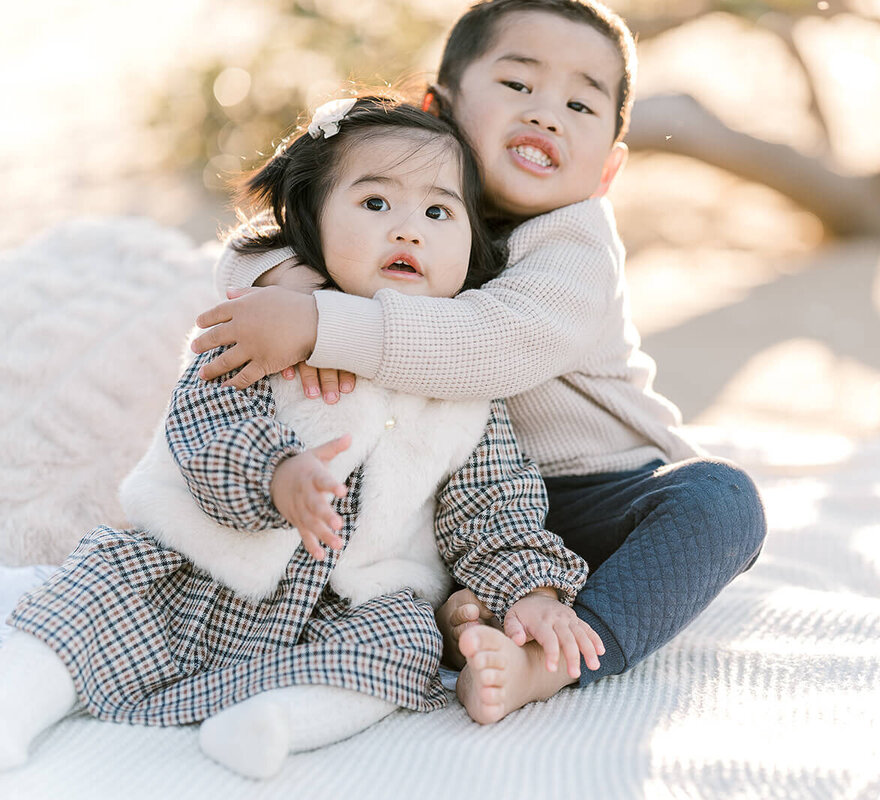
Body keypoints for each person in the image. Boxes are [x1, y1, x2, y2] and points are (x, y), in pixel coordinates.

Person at [190, 0, 768, 715]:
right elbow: (266, 236)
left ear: (608, 170)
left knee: (721, 502)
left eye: (581, 104)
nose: (547, 114)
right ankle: (466, 611)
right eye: (518, 85)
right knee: (359, 530)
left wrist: (321, 323)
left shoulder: (573, 243)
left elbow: (489, 345)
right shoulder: (412, 209)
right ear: (439, 108)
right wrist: (293, 279)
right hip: (463, 497)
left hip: (600, 494)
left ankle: (551, 658)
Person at [0, 94, 602, 780]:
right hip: (199, 571)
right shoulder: (271, 330)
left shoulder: (464, 387)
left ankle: (279, 719)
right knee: (98, 590)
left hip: (345, 605)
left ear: (472, 252)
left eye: (438, 212)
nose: (408, 231)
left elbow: (494, 505)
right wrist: (278, 475)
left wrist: (529, 594)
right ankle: (15, 701)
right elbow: (204, 425)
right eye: (376, 204)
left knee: (402, 643)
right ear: (310, 223)